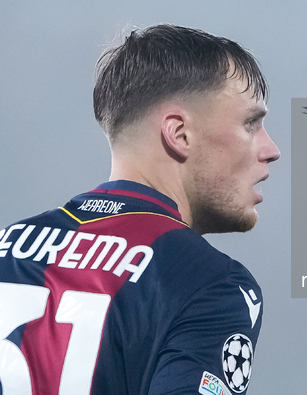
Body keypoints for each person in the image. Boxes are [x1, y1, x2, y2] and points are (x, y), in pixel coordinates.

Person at [0, 24, 280, 394]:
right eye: (250, 124)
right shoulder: (211, 284)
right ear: (179, 134)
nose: (271, 149)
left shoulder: (8, 246)